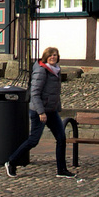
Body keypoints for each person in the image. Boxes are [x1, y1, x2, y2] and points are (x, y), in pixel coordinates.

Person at [6, 46, 75, 178]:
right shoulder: (42, 71)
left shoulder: (56, 70)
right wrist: (41, 112)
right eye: (50, 55)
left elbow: (54, 92)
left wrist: (56, 107)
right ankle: (12, 161)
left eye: (55, 55)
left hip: (51, 110)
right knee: (33, 141)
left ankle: (61, 170)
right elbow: (35, 93)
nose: (53, 57)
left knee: (61, 138)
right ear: (45, 57)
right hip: (39, 111)